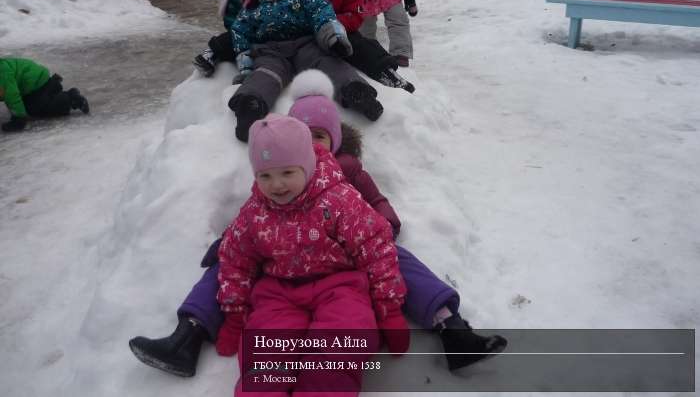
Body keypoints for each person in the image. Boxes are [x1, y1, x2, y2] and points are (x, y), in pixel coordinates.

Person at [129, 70, 507, 377]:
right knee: (228, 260)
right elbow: (256, 212)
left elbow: (375, 202)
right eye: (304, 137)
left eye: (320, 136)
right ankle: (189, 334)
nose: (312, 144)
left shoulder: (349, 169)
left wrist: (382, 223)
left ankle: (450, 326)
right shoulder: (278, 173)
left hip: (348, 246)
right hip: (282, 256)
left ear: (336, 138)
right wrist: (229, 238)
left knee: (393, 256)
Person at [216, 113, 408, 396]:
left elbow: (376, 248)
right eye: (265, 176)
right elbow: (235, 260)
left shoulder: (339, 199)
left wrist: (388, 310)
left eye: (287, 173)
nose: (277, 185)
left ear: (306, 165)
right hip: (278, 294)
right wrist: (234, 314)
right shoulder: (255, 212)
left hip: (340, 288)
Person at [227, 0, 383, 142]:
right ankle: (251, 105)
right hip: (271, 51)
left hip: (305, 43)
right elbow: (240, 29)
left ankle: (355, 91)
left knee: (327, 63)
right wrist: (245, 61)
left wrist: (333, 37)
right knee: (265, 74)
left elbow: (322, 12)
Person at [0, 57, 89, 132]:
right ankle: (52, 89)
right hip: (28, 86)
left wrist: (18, 119)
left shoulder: (2, 74)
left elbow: (12, 96)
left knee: (34, 108)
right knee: (26, 106)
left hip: (38, 83)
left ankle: (70, 98)